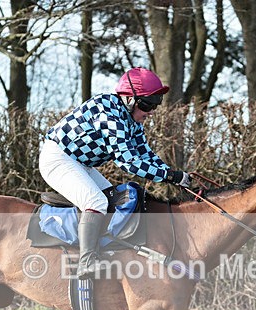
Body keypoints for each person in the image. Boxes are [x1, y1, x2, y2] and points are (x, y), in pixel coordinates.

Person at [39, 67, 191, 279]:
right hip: (58, 158)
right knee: (97, 202)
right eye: (147, 104)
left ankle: (106, 252)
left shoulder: (131, 120)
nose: (151, 111)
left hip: (80, 164)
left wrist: (175, 175)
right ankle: (86, 262)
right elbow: (128, 162)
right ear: (129, 99)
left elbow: (144, 154)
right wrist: (168, 177)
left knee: (115, 203)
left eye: (156, 104)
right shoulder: (108, 113)